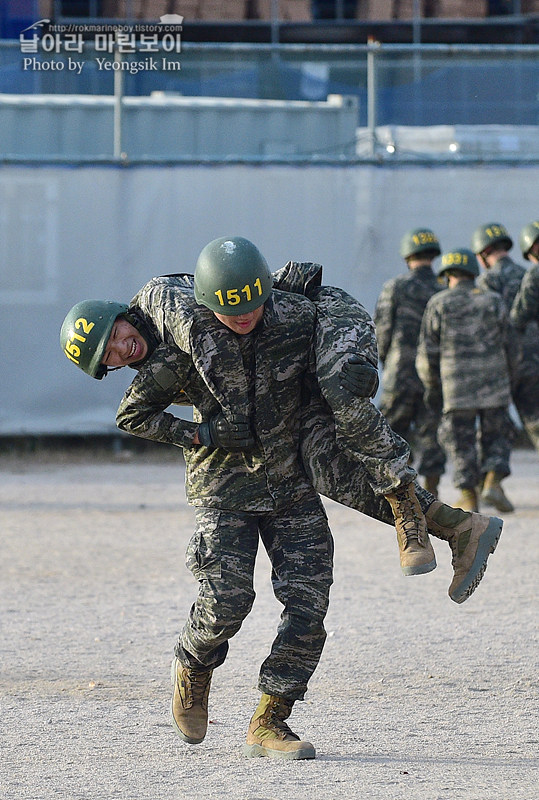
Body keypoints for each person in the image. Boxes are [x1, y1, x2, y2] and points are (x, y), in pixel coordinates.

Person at [60, 238, 504, 753]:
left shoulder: (237, 312)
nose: (120, 352)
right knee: (227, 601)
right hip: (225, 487)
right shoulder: (166, 362)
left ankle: (271, 720)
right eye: (109, 359)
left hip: (292, 480)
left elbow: (328, 317)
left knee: (309, 604)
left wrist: (354, 366)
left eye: (115, 337)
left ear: (121, 315)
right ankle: (193, 665)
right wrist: (203, 435)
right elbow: (132, 415)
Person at [417, 248, 517, 514]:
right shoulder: (493, 301)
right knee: (496, 435)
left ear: (447, 275)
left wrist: (432, 387)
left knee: (460, 442)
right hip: (493, 383)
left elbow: (428, 353)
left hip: (456, 388)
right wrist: (509, 379)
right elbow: (512, 346)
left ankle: (469, 496)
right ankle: (493, 482)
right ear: (474, 272)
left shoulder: (439, 303)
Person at [374, 227, 446, 497]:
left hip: (400, 371)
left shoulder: (395, 287)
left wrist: (385, 362)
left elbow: (382, 330)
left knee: (391, 432)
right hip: (433, 376)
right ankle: (432, 491)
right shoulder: (441, 290)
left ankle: (400, 491)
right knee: (432, 432)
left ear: (407, 256)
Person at [471, 221, 539, 471]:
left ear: (482, 254)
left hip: (502, 361)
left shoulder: (486, 282)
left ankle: (489, 481)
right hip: (533, 360)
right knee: (535, 420)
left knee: (494, 421)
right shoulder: (527, 273)